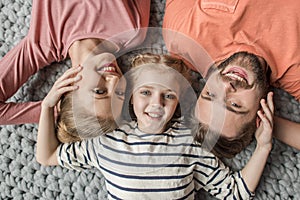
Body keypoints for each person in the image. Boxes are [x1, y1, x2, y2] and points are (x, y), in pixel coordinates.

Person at [36, 53, 274, 199]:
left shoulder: (190, 142)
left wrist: (263, 147)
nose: (156, 104)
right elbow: (46, 156)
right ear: (130, 96)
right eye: (146, 92)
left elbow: (236, 192)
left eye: (168, 96)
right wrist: (47, 106)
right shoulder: (105, 142)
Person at [162, 0, 300, 157]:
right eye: (235, 104)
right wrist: (269, 124)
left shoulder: (183, 39)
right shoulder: (294, 72)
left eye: (211, 94)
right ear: (258, 113)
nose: (227, 86)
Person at [0, 0, 150, 142]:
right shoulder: (133, 32)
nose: (115, 80)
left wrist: (50, 108)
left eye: (99, 91)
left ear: (67, 89)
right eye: (120, 93)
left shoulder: (44, 44)